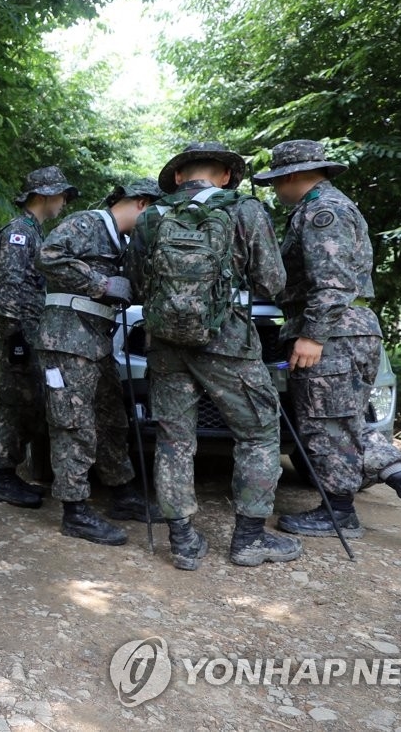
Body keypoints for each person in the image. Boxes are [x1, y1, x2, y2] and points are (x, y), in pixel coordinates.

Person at [253, 139, 401, 551]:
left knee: (326, 426)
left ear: (294, 176)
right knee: (348, 424)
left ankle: (340, 513)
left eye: (279, 182)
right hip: (350, 331)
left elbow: (331, 282)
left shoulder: (321, 213)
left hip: (335, 333)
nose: (278, 191)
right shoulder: (326, 207)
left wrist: (313, 335)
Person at [124, 143, 303, 570]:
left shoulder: (152, 216)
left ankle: (183, 542)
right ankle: (249, 539)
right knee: (258, 434)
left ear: (180, 176)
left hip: (166, 343)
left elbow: (135, 283)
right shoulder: (245, 211)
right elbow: (273, 280)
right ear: (225, 176)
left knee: (173, 439)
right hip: (229, 342)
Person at [34, 178, 167, 544]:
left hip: (96, 343)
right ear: (141, 203)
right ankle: (74, 510)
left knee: (112, 419)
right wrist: (101, 283)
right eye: (155, 212)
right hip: (66, 341)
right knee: (73, 424)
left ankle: (122, 492)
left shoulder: (123, 242)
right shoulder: (87, 223)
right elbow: (47, 255)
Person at [0, 167, 75, 508]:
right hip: (16, 332)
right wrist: (16, 339)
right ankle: (3, 478)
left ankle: (11, 473)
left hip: (26, 330)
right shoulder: (19, 233)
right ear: (45, 195)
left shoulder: (34, 232)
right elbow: (8, 289)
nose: (64, 202)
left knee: (26, 402)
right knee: (13, 403)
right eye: (61, 195)